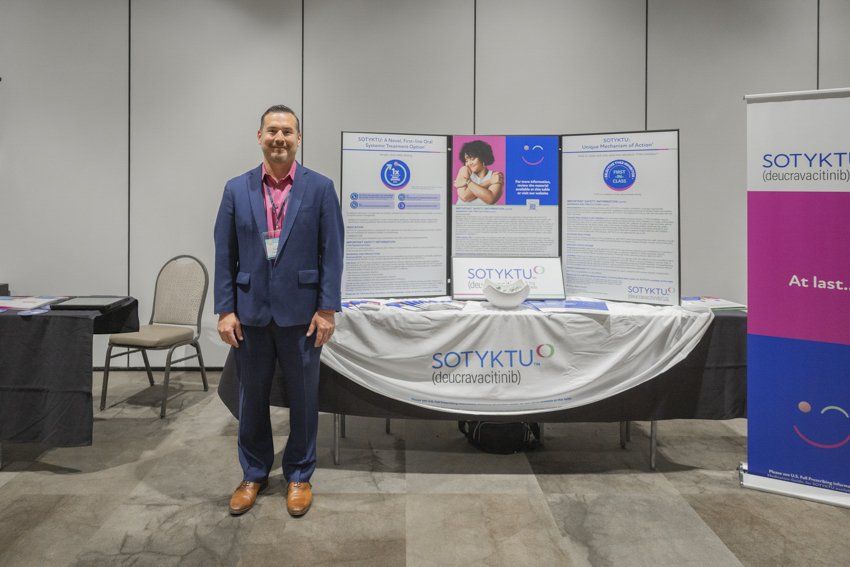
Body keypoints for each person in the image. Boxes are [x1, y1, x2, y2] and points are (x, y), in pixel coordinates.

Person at [214, 104, 344, 517]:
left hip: (303, 316)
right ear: (259, 136)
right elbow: (224, 255)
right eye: (272, 130)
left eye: (287, 131)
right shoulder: (236, 189)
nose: (279, 138)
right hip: (250, 315)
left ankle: (300, 476)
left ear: (298, 138)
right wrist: (224, 310)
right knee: (251, 398)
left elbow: (332, 253)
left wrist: (326, 309)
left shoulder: (320, 188)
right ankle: (253, 474)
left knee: (305, 399)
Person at [453, 139, 504, 205]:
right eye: (466, 160)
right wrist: (489, 182)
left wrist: (467, 182)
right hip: (463, 214)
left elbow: (490, 199)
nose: (469, 163)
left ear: (483, 157)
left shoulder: (496, 175)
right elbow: (464, 196)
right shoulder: (464, 170)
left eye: (472, 159)